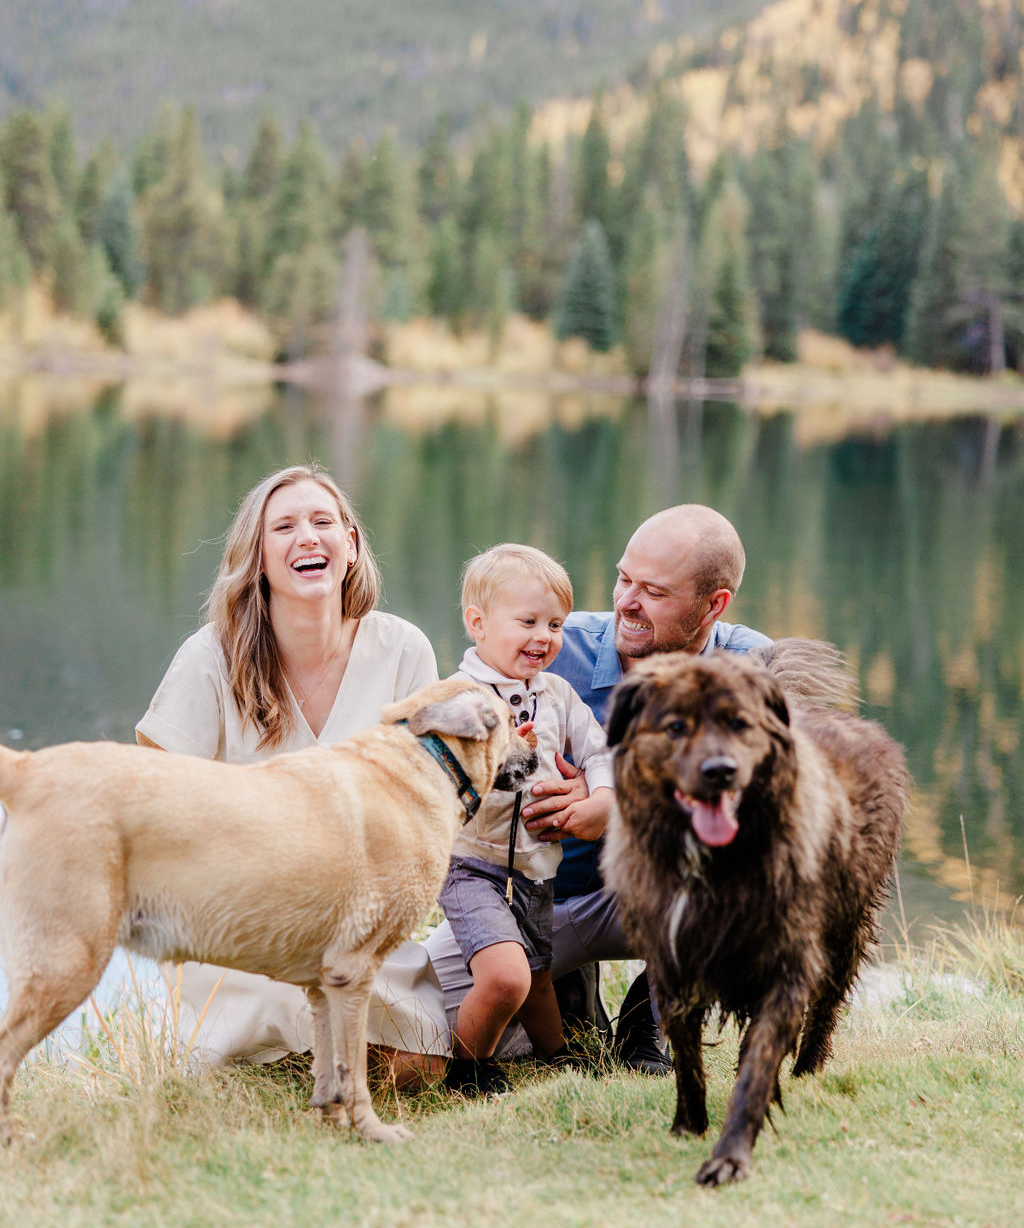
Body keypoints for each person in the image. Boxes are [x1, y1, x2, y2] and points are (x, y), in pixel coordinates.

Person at [421, 504, 771, 1072]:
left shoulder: (752, 667)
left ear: (715, 605)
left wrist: (616, 796)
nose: (626, 602)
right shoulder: (552, 650)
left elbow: (774, 806)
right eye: (623, 578)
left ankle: (650, 1020)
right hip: (534, 899)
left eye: (653, 591)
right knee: (425, 1019)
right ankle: (572, 1002)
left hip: (672, 896)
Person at [136, 463, 441, 1065]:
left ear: (350, 547)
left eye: (323, 522)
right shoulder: (210, 658)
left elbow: (423, 811)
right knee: (301, 1033)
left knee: (420, 1066)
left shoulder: (404, 650)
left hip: (360, 923)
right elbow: (159, 806)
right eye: (284, 527)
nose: (308, 536)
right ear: (257, 557)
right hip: (244, 925)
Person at [439, 543, 613, 1095]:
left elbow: (599, 752)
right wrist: (499, 753)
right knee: (506, 977)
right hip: (471, 865)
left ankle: (558, 1060)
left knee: (540, 978)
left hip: (536, 870)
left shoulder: (557, 694)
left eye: (556, 624)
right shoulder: (460, 698)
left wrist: (603, 796)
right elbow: (441, 778)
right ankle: (467, 1068)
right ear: (478, 623)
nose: (545, 636)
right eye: (528, 621)